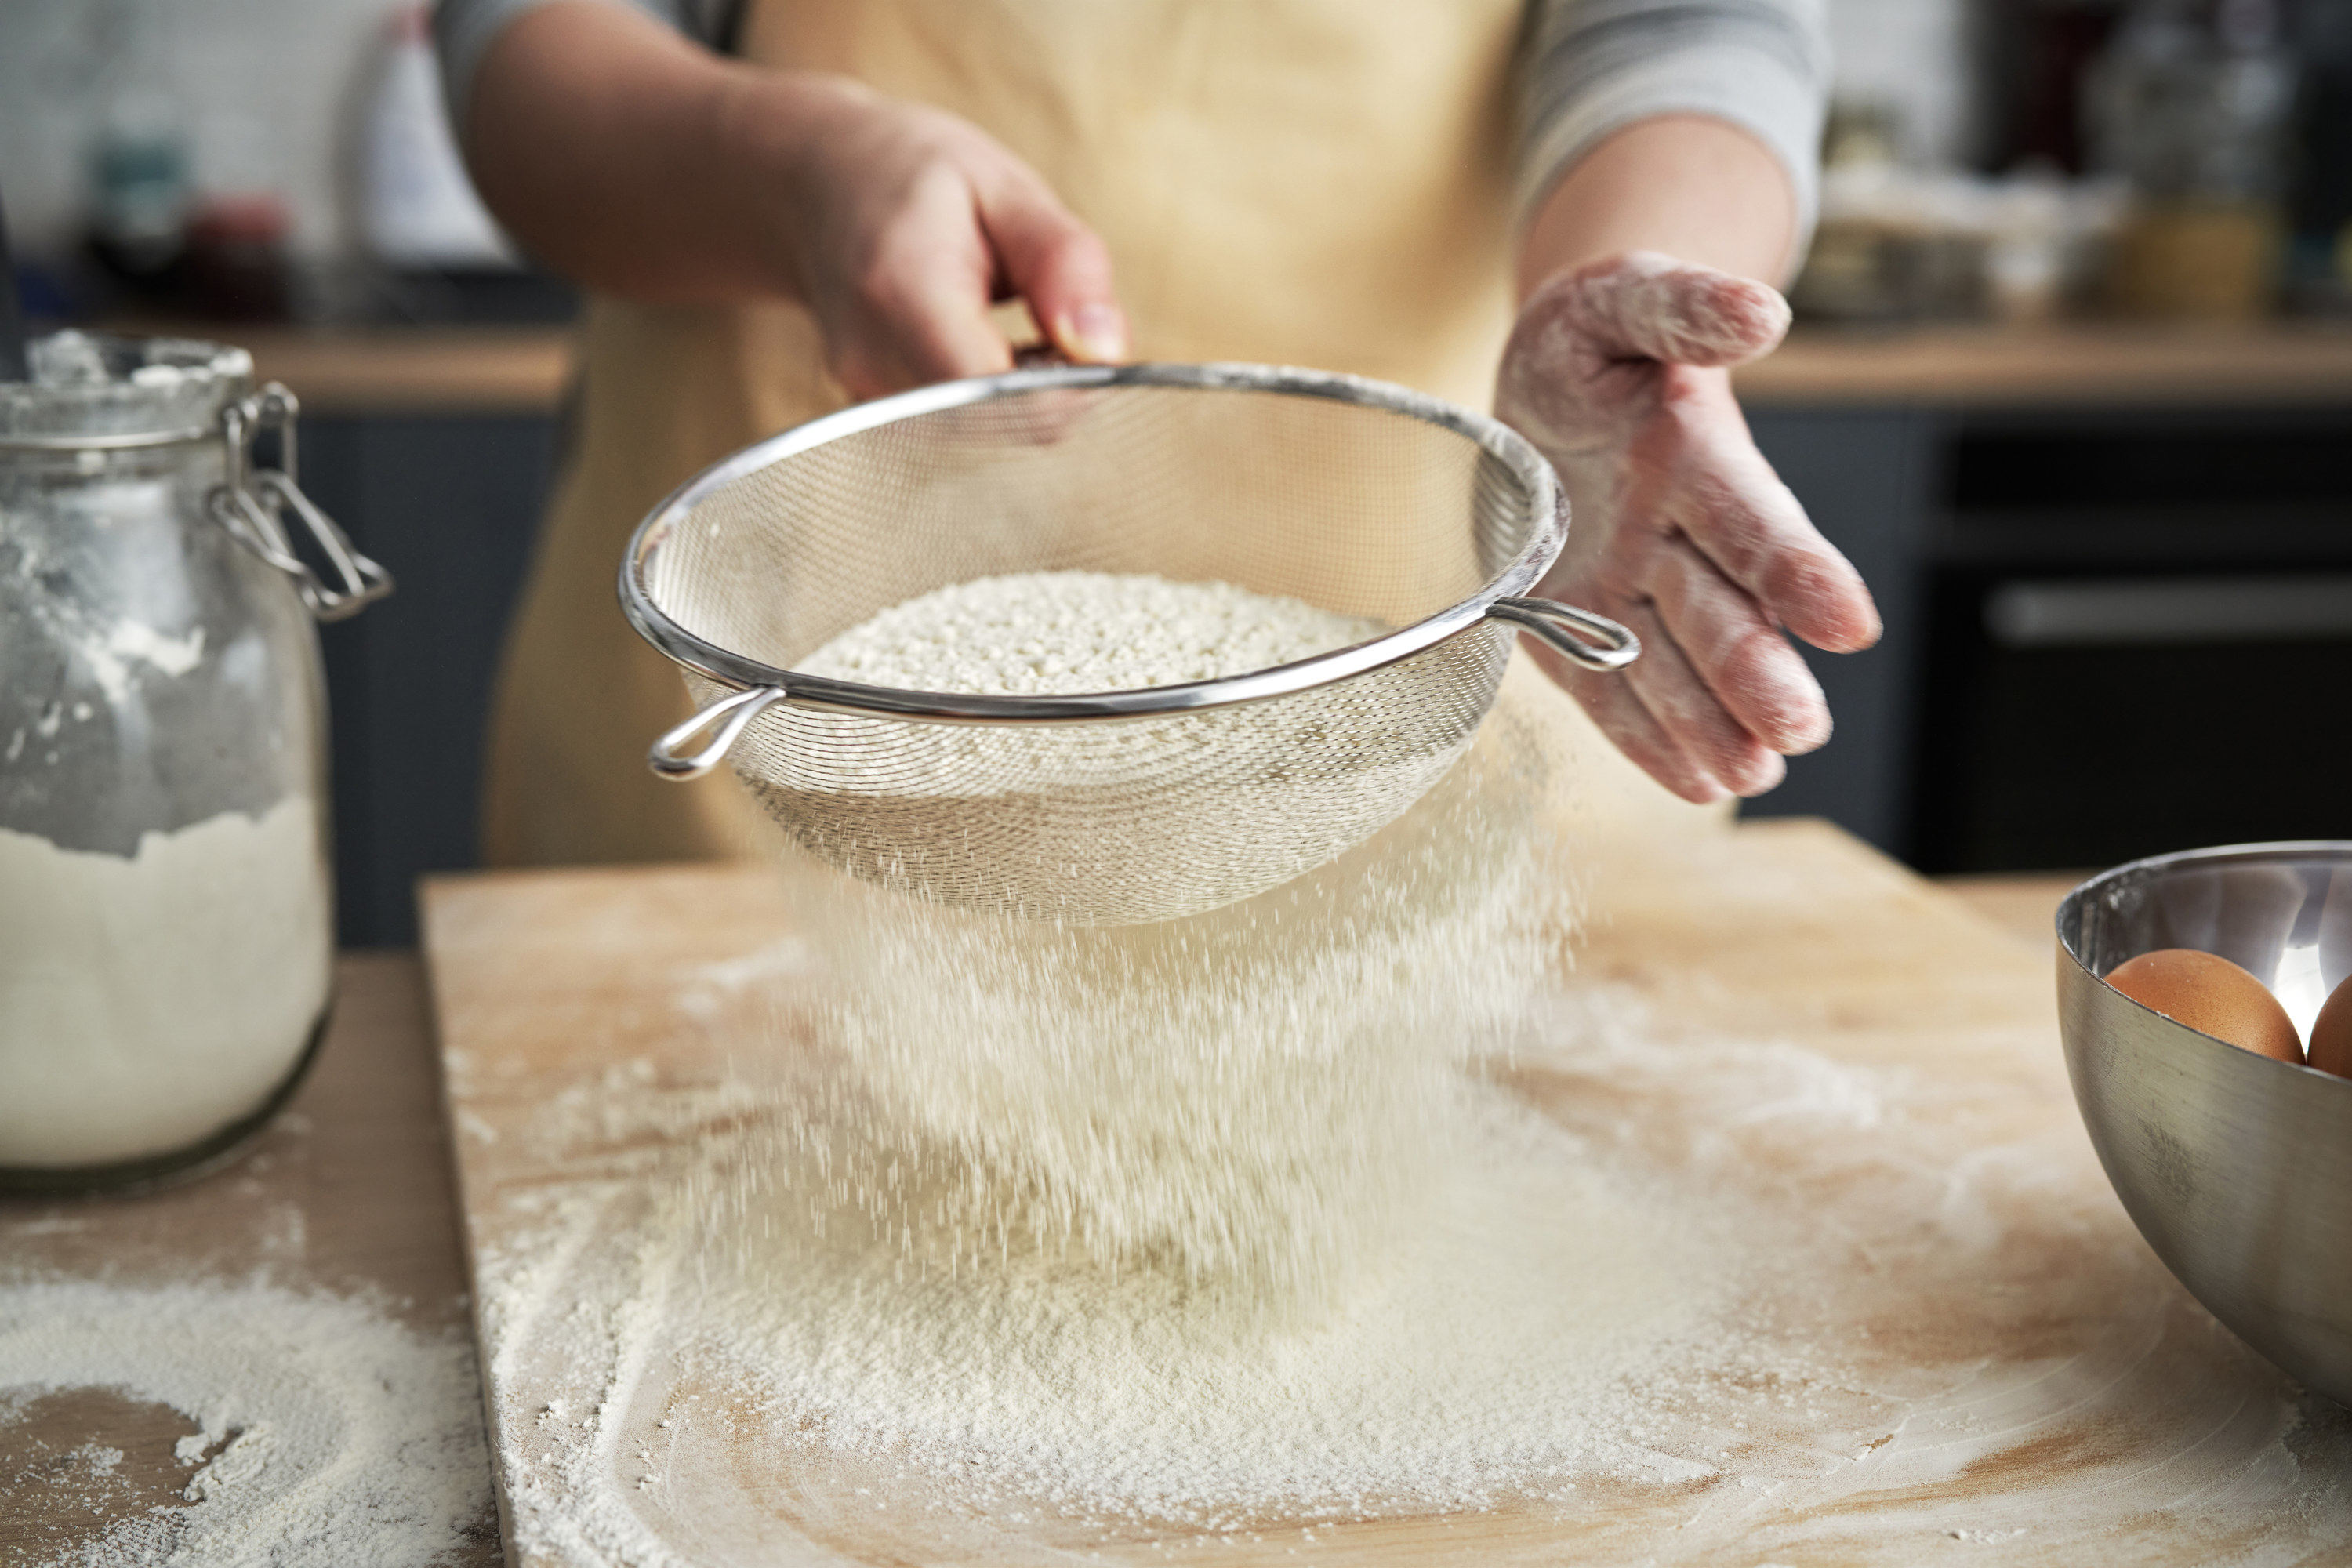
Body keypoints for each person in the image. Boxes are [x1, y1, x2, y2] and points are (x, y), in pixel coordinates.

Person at [437, 0, 1882, 867]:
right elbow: (525, 49)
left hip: (1433, 659)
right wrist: (800, 176)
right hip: (803, 707)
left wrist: (1616, 297)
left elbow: (1697, 26)